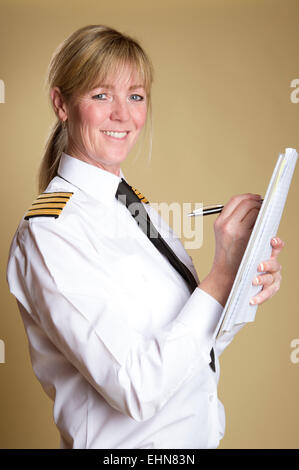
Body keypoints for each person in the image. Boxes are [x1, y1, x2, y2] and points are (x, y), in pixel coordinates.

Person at [6, 24, 284, 449]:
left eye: (135, 96)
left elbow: (191, 355)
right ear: (62, 104)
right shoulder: (50, 232)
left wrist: (241, 282)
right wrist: (220, 277)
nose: (123, 114)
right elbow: (136, 386)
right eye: (101, 95)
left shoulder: (135, 207)